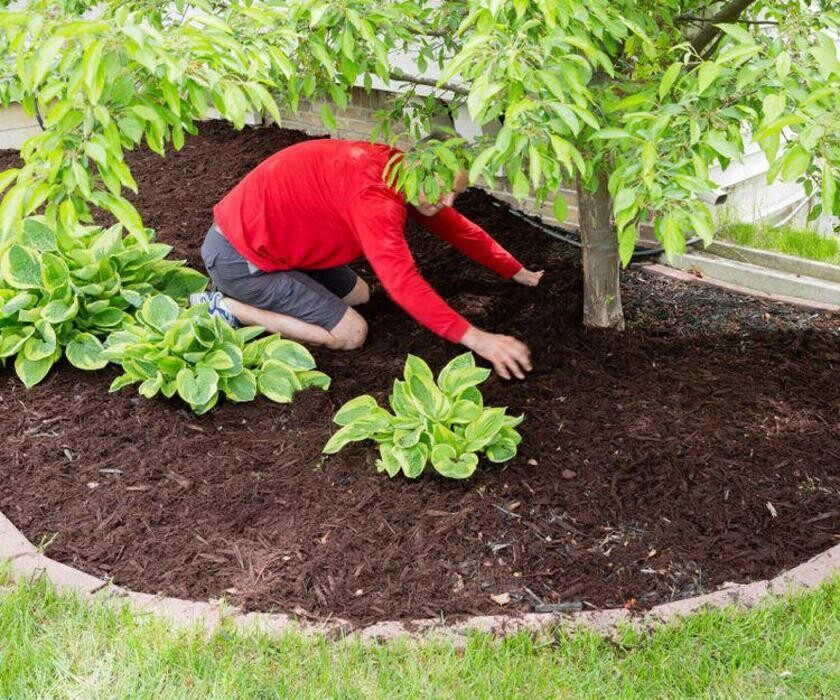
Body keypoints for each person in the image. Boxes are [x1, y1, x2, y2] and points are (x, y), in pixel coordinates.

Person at [190, 138, 543, 380]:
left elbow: (457, 229)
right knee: (350, 332)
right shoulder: (375, 200)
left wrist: (516, 271)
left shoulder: (401, 169)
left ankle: (281, 288)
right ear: (421, 166)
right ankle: (228, 308)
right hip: (239, 257)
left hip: (277, 241)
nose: (449, 201)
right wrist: (478, 339)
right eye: (445, 188)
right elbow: (402, 282)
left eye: (457, 192)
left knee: (360, 295)